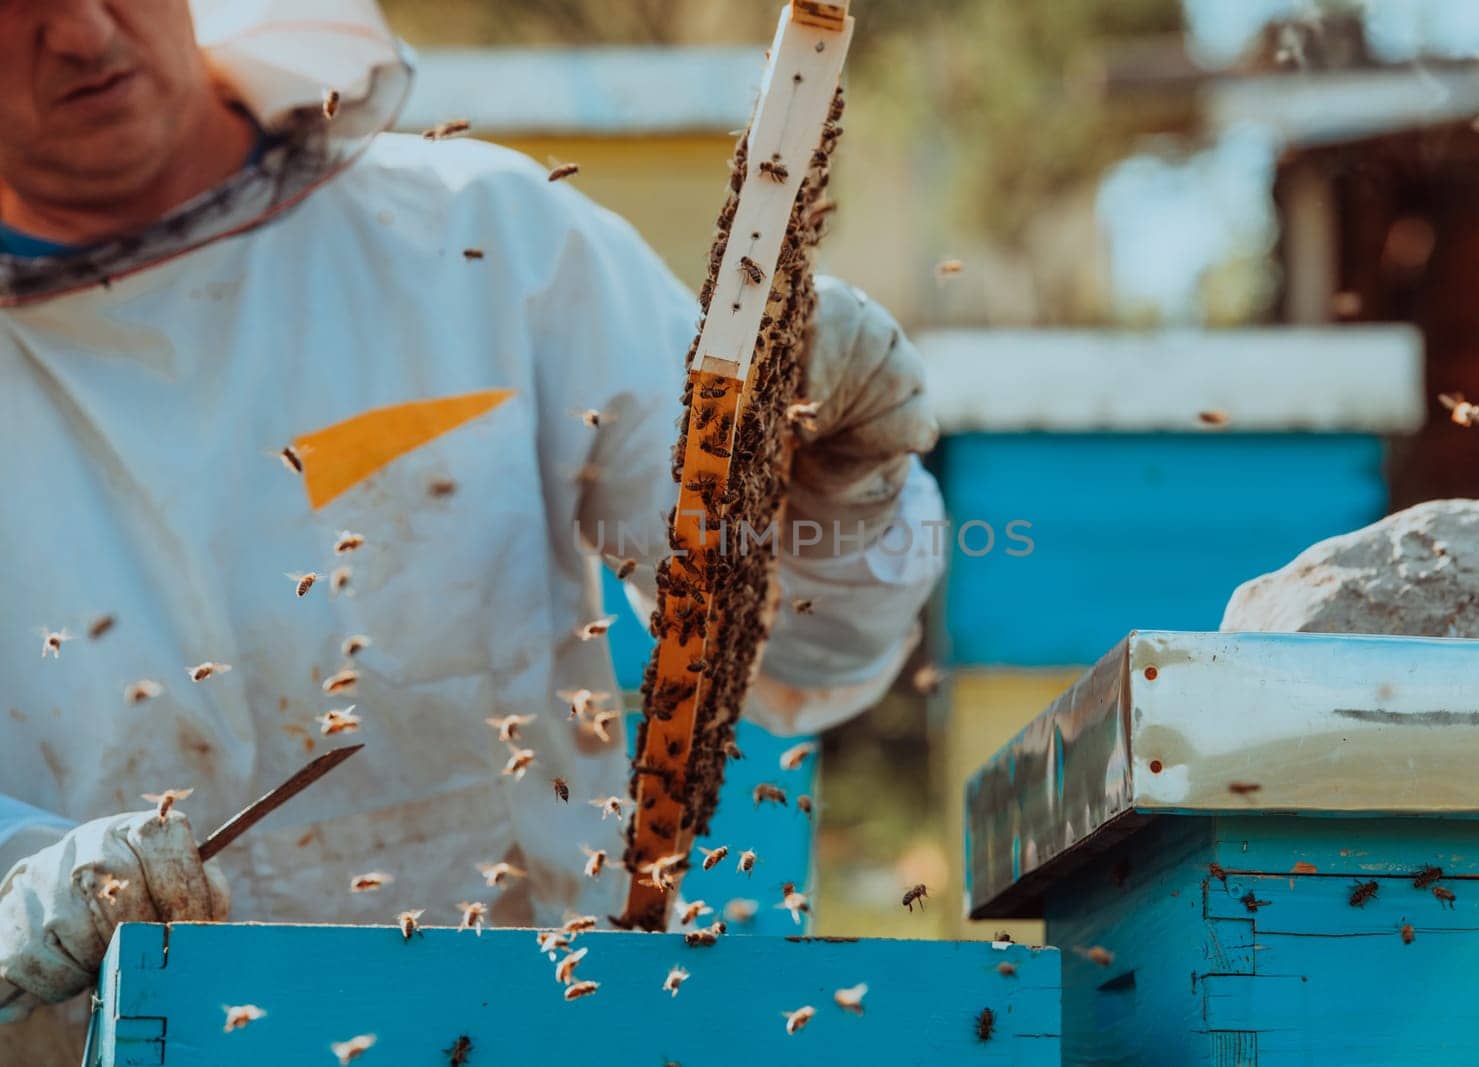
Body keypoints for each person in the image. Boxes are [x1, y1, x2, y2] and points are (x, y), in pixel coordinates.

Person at [0, 2, 944, 1062]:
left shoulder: (486, 233)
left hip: (555, 1027)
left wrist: (833, 492)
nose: (82, 34)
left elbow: (789, 647)